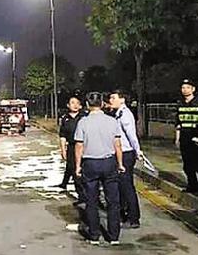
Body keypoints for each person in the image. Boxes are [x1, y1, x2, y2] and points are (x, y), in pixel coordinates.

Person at [75, 92, 124, 245]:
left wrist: (77, 166)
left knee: (92, 200)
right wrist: (120, 163)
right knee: (113, 201)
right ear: (102, 104)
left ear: (87, 105)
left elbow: (79, 146)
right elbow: (117, 144)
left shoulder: (83, 122)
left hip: (90, 163)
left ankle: (94, 235)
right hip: (109, 162)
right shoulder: (112, 121)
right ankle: (114, 236)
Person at [109, 89, 142, 228]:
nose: (111, 100)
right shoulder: (118, 113)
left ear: (122, 100)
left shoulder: (125, 114)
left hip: (126, 153)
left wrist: (137, 151)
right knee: (121, 186)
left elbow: (132, 135)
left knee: (127, 186)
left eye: (113, 98)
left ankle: (133, 218)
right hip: (120, 152)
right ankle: (124, 213)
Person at [175, 79, 198, 194]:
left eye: (187, 87)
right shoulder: (180, 104)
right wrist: (177, 138)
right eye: (183, 88)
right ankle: (192, 185)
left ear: (193, 89)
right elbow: (178, 123)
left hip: (197, 138)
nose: (185, 90)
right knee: (187, 164)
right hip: (184, 138)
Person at [58, 96, 87, 204]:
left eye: (77, 103)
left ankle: (91, 195)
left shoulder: (84, 117)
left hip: (85, 146)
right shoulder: (65, 118)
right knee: (74, 171)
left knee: (85, 171)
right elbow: (62, 136)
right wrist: (63, 150)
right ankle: (81, 196)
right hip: (71, 147)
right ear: (68, 105)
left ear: (80, 106)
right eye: (72, 103)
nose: (75, 105)